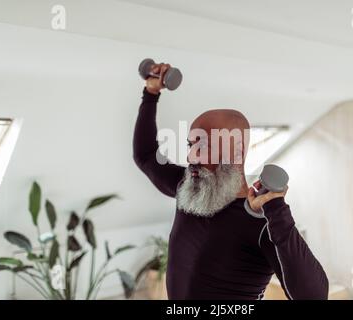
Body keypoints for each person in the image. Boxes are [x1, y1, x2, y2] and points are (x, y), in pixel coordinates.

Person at [133, 63, 329, 300]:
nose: (191, 156)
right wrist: (151, 93)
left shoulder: (261, 223)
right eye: (190, 144)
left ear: (235, 152)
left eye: (202, 145)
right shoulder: (190, 189)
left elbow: (314, 297)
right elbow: (145, 156)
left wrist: (277, 211)